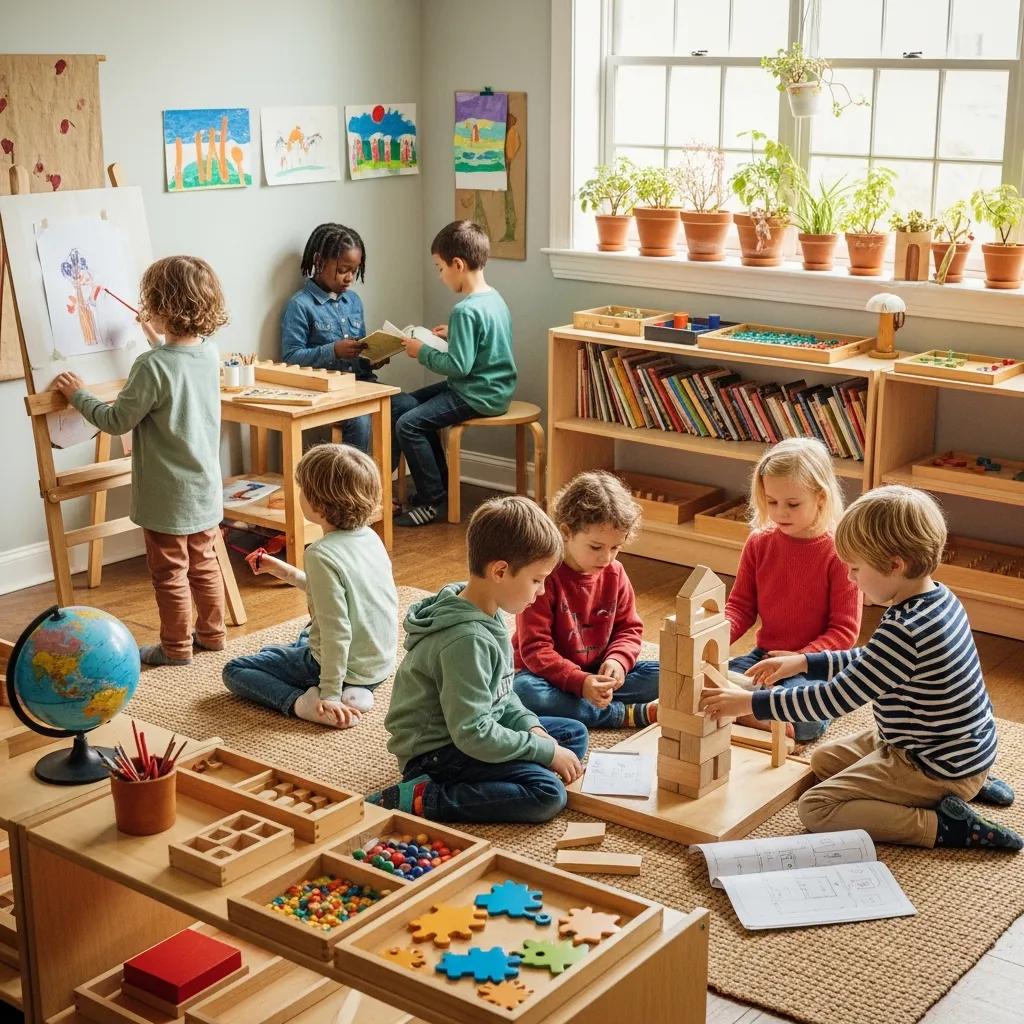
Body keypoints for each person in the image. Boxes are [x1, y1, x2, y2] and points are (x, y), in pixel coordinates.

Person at [701, 485, 1021, 852]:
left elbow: (832, 699)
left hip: (930, 763)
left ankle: (943, 823)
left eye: (855, 569)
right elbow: (873, 661)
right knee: (823, 760)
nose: (850, 578)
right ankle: (966, 782)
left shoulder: (905, 631)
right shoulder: (938, 598)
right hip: (956, 746)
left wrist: (748, 703)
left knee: (817, 808)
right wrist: (805, 661)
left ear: (895, 565)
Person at [52, 255, 228, 667]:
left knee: (170, 573)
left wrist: (78, 395)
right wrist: (155, 338)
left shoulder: (151, 365)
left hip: (167, 496)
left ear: (160, 305)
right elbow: (175, 373)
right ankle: (213, 635)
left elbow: (116, 421)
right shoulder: (209, 353)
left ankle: (176, 648)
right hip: (204, 489)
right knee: (204, 564)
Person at [370, 496, 589, 823]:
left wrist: (532, 729)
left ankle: (516, 764)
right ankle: (423, 797)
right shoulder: (466, 641)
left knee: (573, 735)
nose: (542, 591)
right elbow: (472, 734)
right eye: (536, 580)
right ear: (500, 571)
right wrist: (541, 750)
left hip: (475, 728)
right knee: (547, 793)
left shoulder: (487, 609)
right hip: (438, 753)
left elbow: (502, 693)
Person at [222, 444, 397, 728]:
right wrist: (286, 572)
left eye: (302, 489)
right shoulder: (369, 537)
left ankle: (303, 703)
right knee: (302, 635)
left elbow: (335, 630)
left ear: (318, 505)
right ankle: (358, 692)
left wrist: (329, 694)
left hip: (342, 667)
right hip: (377, 665)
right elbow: (347, 598)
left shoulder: (320, 553)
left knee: (236, 670)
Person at [725, 437, 862, 742]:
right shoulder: (759, 542)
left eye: (792, 504)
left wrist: (800, 658)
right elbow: (740, 607)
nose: (780, 512)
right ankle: (759, 708)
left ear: (820, 497)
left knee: (807, 722)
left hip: (813, 664)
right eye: (771, 502)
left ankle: (752, 708)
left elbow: (844, 631)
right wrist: (714, 637)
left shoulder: (839, 552)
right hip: (765, 657)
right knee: (695, 681)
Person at [513, 471, 659, 729]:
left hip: (596, 671)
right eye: (596, 547)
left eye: (615, 548)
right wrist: (579, 682)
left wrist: (617, 661)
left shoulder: (615, 573)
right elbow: (535, 650)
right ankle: (623, 714)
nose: (607, 558)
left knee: (666, 675)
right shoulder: (543, 575)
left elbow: (629, 629)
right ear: (566, 532)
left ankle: (588, 702)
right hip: (546, 676)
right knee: (524, 692)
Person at [394, 221, 516, 527]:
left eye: (440, 268)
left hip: (475, 393)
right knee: (408, 405)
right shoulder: (493, 298)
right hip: (495, 388)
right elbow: (486, 342)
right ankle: (441, 488)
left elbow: (457, 367)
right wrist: (455, 334)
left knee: (408, 424)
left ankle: (433, 501)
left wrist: (421, 351)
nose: (440, 275)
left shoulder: (465, 310)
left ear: (457, 265)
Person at [280, 223, 414, 461]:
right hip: (328, 391)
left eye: (355, 270)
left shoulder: (353, 301)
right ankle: (353, 481)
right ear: (319, 261)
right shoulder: (300, 305)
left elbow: (359, 352)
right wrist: (334, 351)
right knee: (360, 421)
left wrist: (374, 358)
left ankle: (379, 475)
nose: (350, 278)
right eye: (343, 270)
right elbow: (290, 358)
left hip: (362, 384)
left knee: (408, 405)